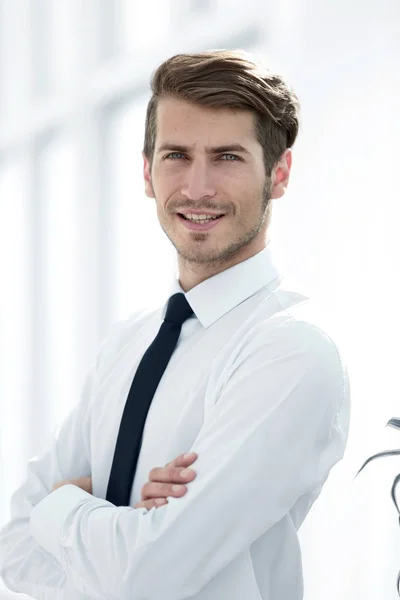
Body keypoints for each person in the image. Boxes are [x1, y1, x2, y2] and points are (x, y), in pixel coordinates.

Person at [0, 49, 350, 600]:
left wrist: (62, 504)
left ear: (278, 174)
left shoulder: (290, 351)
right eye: (177, 155)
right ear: (147, 171)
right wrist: (119, 523)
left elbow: (147, 576)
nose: (197, 187)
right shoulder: (127, 344)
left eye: (228, 157)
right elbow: (13, 551)